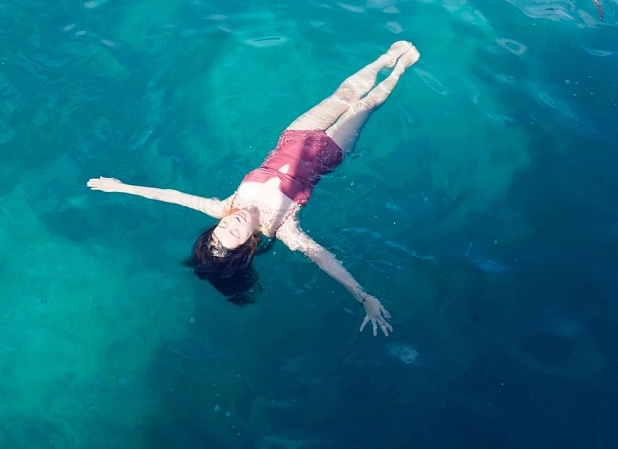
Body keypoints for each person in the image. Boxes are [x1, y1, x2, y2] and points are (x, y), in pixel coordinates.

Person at [87, 41, 420, 336]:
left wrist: (120, 187)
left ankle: (384, 59)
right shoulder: (282, 227)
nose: (227, 227)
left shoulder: (225, 207)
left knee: (343, 96)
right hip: (329, 152)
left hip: (296, 135)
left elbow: (172, 197)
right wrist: (363, 297)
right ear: (246, 245)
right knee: (364, 106)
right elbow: (324, 260)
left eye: (217, 234)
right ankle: (399, 70)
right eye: (230, 237)